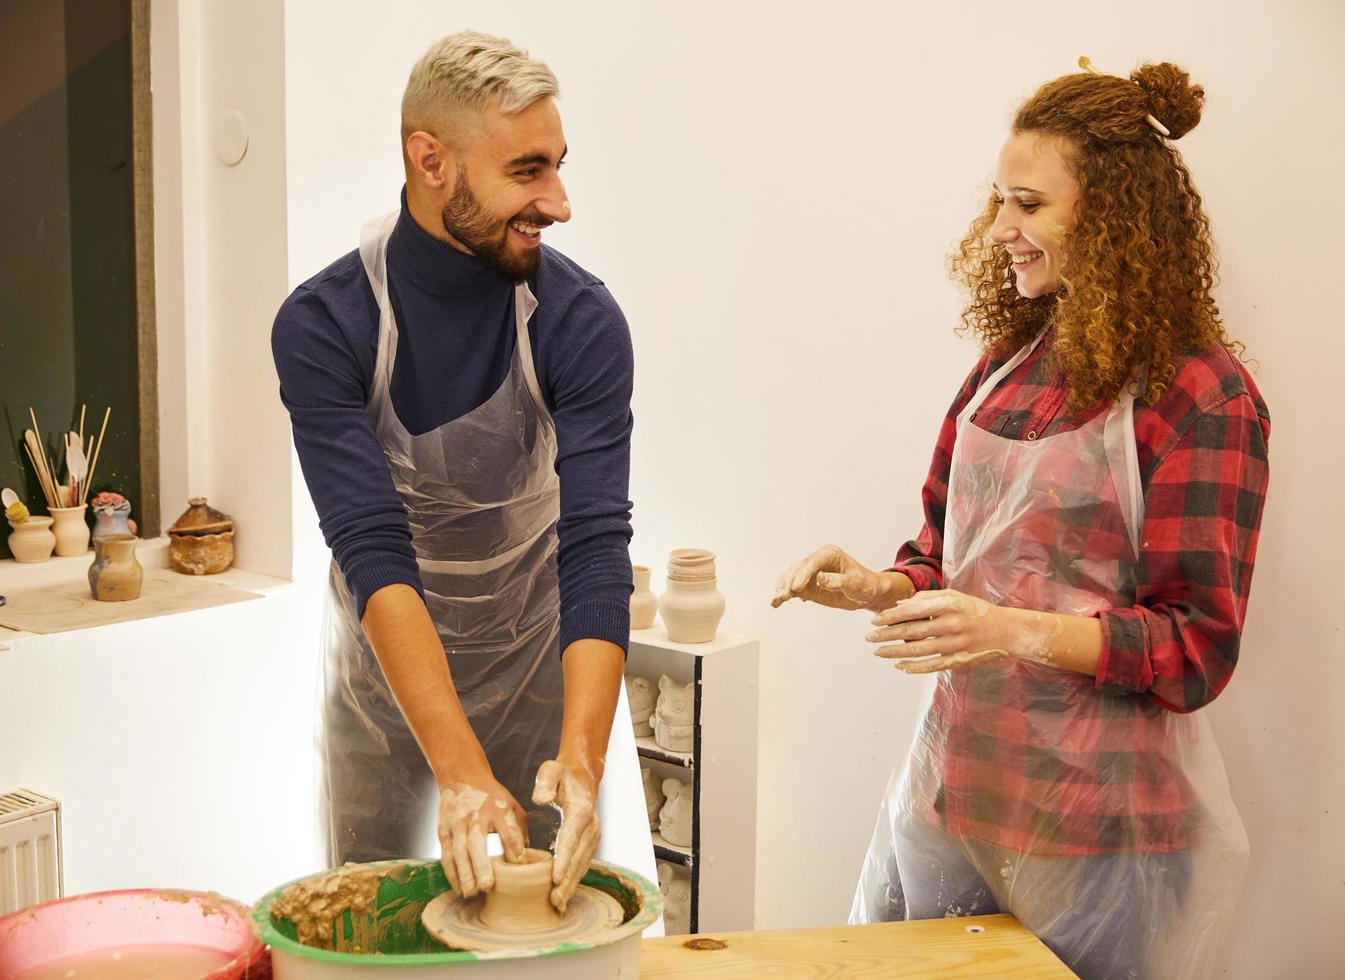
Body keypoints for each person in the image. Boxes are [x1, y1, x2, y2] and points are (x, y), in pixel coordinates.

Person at [772, 59, 1268, 979]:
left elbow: (1196, 648)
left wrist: (1011, 630)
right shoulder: (1011, 367)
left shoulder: (1202, 399)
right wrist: (881, 586)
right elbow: (945, 554)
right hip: (956, 799)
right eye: (1001, 202)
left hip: (1099, 836)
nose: (1000, 228)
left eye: (1028, 205)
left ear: (1113, 217)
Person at [272, 30, 651, 913]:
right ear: (429, 160)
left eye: (558, 165)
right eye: (527, 171)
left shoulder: (579, 321)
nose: (558, 202)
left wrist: (584, 762)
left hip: (538, 681)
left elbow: (594, 546)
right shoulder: (325, 325)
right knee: (377, 934)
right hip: (384, 701)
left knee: (563, 932)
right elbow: (372, 547)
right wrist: (458, 769)